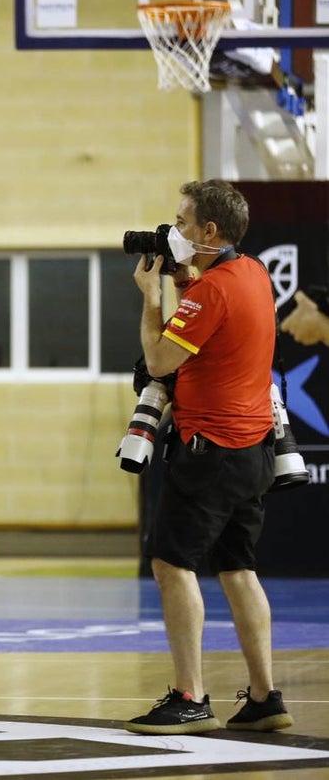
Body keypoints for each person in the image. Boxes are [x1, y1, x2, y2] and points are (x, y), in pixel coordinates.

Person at [125, 180, 294, 735]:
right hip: (252, 453)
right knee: (239, 569)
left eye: (181, 221)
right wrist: (181, 279)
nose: (172, 230)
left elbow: (159, 359)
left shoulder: (211, 291)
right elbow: (212, 329)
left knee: (172, 565)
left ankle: (189, 695)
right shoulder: (251, 275)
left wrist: (153, 299)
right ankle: (266, 697)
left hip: (209, 454)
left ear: (208, 232)